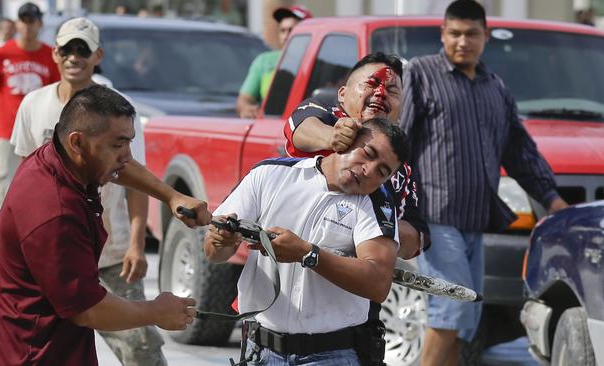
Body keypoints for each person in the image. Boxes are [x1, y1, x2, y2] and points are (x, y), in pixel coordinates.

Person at [0, 85, 211, 365]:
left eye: (129, 142)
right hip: (32, 357)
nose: (126, 155)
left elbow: (120, 167)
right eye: (117, 144)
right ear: (77, 143)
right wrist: (155, 312)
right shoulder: (56, 212)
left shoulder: (55, 157)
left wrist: (171, 196)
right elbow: (87, 310)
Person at [399, 1, 569, 365]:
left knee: (467, 319)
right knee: (451, 310)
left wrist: (552, 199)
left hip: (478, 220)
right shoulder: (420, 73)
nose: (463, 41)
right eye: (455, 33)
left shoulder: (496, 88)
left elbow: (520, 151)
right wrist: (395, 203)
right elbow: (400, 141)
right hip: (435, 215)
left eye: (471, 33)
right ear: (443, 34)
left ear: (484, 36)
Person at [10, 17, 166, 365]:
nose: (74, 57)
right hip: (53, 254)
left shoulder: (117, 109)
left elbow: (133, 178)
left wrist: (137, 245)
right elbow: (22, 181)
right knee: (50, 347)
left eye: (82, 49)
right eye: (67, 49)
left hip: (109, 256)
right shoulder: (33, 105)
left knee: (142, 349)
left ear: (98, 55)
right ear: (55, 53)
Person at [205, 119, 408, 365]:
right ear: (347, 140)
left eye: (382, 171)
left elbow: (378, 283)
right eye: (367, 153)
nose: (369, 170)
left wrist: (307, 254)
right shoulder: (271, 174)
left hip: (332, 354)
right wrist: (220, 240)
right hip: (260, 349)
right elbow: (214, 253)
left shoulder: (376, 204)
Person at [284, 52, 429, 258]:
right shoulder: (323, 114)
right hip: (285, 257)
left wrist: (366, 224)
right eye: (372, 83)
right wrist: (333, 137)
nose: (381, 94)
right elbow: (300, 129)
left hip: (344, 277)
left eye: (392, 90)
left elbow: (417, 238)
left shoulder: (400, 167)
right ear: (342, 93)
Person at [0, 2, 60, 275]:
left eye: (32, 21)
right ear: (17, 23)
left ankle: (32, 263)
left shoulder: (49, 55)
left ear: (39, 24)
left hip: (39, 138)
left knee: (39, 201)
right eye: (23, 20)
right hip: (7, 135)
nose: (28, 25)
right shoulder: (3, 52)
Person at [236, 5, 312, 118]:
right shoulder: (264, 61)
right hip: (271, 127)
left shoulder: (319, 63)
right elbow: (244, 99)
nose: (286, 36)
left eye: (292, 30)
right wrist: (246, 108)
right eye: (282, 30)